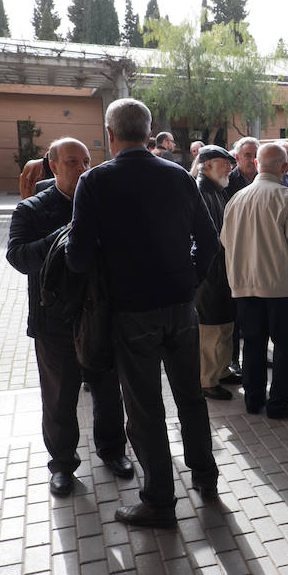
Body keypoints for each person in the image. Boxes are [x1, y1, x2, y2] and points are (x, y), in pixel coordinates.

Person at [66, 98, 220, 528]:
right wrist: (189, 283)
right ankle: (206, 478)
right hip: (180, 307)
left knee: (146, 409)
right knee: (191, 398)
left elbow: (77, 258)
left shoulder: (94, 182)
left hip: (131, 312)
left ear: (110, 135)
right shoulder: (178, 177)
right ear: (149, 132)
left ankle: (159, 500)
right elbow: (209, 243)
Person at [7, 137, 131, 497]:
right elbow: (17, 257)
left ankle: (112, 451)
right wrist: (62, 235)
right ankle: (62, 464)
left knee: (108, 391)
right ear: (53, 165)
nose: (82, 168)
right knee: (60, 398)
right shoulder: (31, 210)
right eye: (73, 162)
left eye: (86, 161)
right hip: (54, 322)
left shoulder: (104, 204)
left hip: (100, 317)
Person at [219, 143, 288, 418]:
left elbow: (224, 241)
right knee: (285, 348)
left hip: (245, 287)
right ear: (285, 167)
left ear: (257, 166)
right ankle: (279, 403)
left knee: (252, 346)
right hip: (284, 289)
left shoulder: (236, 199)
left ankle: (253, 400)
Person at [194, 145, 241, 401]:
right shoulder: (201, 190)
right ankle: (207, 379)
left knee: (224, 325)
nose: (229, 168)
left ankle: (221, 370)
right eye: (225, 163)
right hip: (210, 273)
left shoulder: (217, 189)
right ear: (208, 164)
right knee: (210, 329)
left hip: (223, 270)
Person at [225, 136, 260, 377]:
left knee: (256, 313)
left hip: (260, 254)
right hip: (236, 254)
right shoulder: (228, 183)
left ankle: (255, 358)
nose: (252, 159)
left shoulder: (264, 179)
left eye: (255, 154)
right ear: (237, 158)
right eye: (247, 155)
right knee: (235, 313)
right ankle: (233, 360)